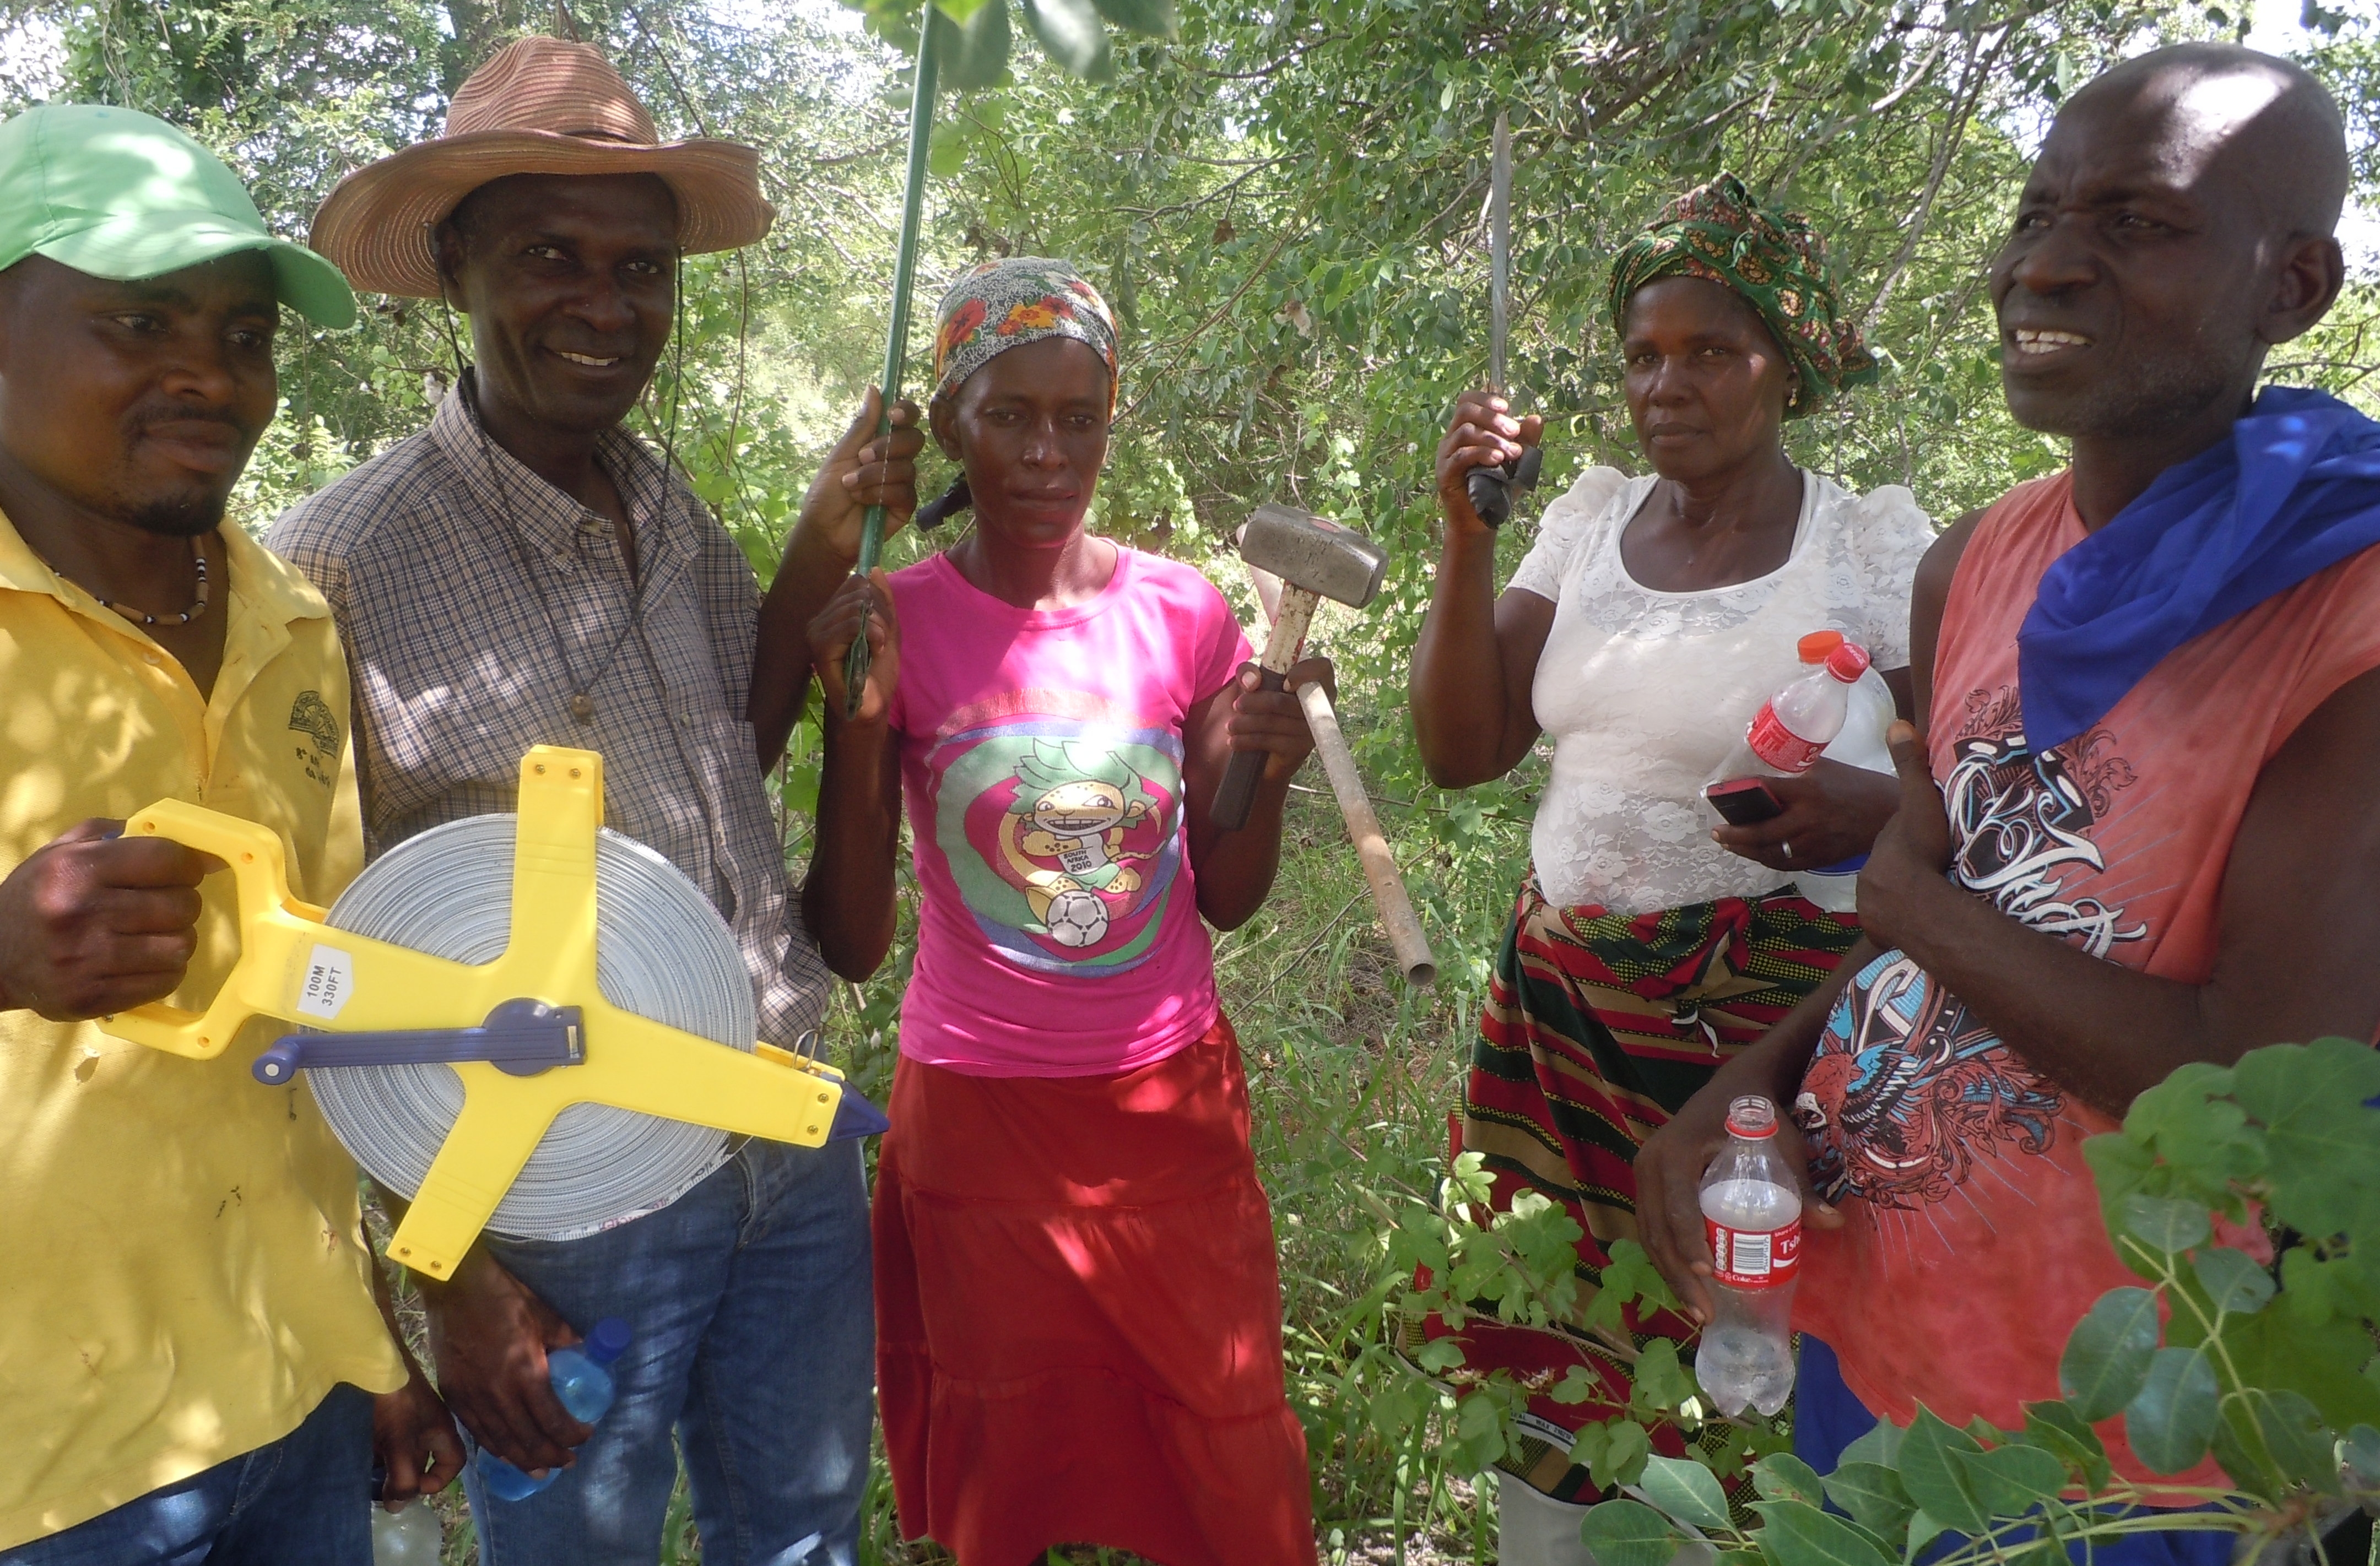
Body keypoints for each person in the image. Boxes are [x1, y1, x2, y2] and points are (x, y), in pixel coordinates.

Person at [1636, 43, 2377, 1566]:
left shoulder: (2344, 624)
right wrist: (1758, 1079)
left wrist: (1912, 902)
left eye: (2138, 223)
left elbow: (2247, 1103)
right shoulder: (1974, 563)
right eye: (2039, 212)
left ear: (2293, 284)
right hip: (1876, 1312)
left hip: (2137, 1431)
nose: (2043, 263)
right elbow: (1955, 918)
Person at [269, 39, 921, 1566]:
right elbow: (305, 957)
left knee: (807, 1532)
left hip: (785, 1128)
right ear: (456, 267)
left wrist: (822, 561)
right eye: (550, 256)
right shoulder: (336, 563)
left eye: (641, 267)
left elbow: (726, 757)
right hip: (562, 1180)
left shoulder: (668, 508)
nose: (606, 304)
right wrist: (443, 1268)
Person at [1408, 174, 1935, 1557]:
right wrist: (1468, 537)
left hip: (1764, 1040)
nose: (1666, 383)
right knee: (1554, 1366)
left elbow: (1965, 800)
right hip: (1559, 1015)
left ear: (1788, 365)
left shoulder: (1866, 547)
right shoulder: (1588, 523)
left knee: (1757, 1364)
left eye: (1710, 350)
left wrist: (1867, 804)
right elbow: (1463, 748)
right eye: (1644, 354)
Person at [786, 256, 1326, 1566]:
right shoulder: (891, 620)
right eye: (1009, 417)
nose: (1045, 453)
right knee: (1009, 1468)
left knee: (1222, 1437)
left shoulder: (1182, 614)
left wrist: (1264, 769)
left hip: (1167, 1104)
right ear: (951, 424)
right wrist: (860, 736)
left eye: (1076, 419)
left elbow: (1230, 900)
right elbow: (851, 942)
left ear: (1110, 420)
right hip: (979, 1117)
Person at [0, 104, 462, 1563]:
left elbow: (316, 1008)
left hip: (285, 1402)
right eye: (140, 320)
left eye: (245, 333)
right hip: (43, 1474)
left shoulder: (291, 621)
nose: (208, 372)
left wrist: (367, 1334)